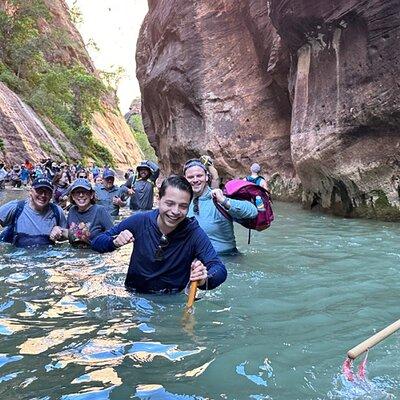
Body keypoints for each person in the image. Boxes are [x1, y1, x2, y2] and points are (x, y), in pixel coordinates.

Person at [92, 175, 227, 294]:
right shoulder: (140, 221)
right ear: (158, 199)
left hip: (171, 299)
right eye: (169, 203)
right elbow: (97, 242)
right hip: (135, 295)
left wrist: (203, 280)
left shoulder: (193, 233)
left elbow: (218, 268)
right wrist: (114, 242)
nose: (175, 211)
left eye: (183, 206)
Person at [183, 159, 258, 255]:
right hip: (196, 261)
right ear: (185, 179)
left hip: (226, 259)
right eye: (190, 177)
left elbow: (253, 212)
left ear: (206, 177)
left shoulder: (218, 198)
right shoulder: (182, 202)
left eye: (199, 176)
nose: (195, 180)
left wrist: (224, 201)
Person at [0, 177, 67, 247]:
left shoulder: (57, 211)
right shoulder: (16, 207)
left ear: (51, 195)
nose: (43, 195)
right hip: (17, 254)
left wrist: (60, 230)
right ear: (31, 191)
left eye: (47, 191)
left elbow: (65, 237)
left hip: (47, 255)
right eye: (39, 190)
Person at [51, 178, 113, 247]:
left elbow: (113, 235)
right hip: (74, 254)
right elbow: (67, 236)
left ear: (91, 195)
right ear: (73, 196)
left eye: (84, 192)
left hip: (94, 252)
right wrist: (57, 231)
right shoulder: (72, 211)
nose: (81, 195)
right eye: (77, 192)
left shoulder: (100, 210)